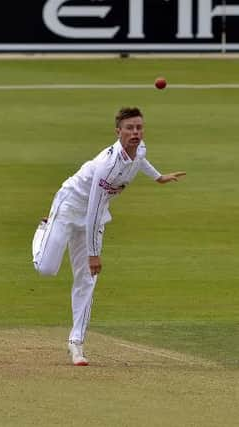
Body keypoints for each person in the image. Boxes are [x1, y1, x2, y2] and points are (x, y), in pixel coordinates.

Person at [32, 107, 186, 366]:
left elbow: (140, 160)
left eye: (139, 128)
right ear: (118, 132)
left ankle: (76, 343)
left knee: (87, 279)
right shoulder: (108, 165)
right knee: (46, 269)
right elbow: (91, 209)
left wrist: (159, 177)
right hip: (71, 206)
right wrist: (94, 254)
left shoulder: (140, 147)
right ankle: (42, 229)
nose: (135, 133)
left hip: (95, 214)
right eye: (129, 129)